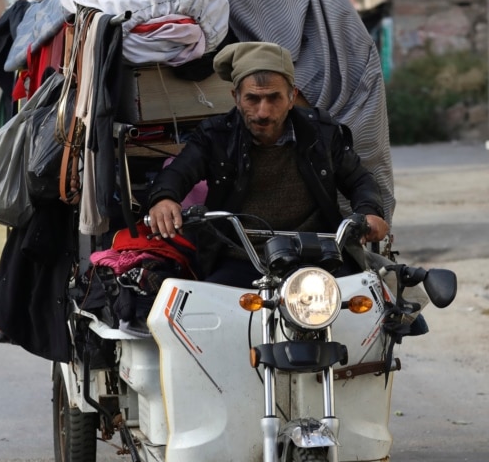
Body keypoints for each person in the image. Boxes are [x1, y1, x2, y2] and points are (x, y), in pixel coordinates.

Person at [146, 41, 389, 286]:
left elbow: (359, 179)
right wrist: (164, 198)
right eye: (253, 98)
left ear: (292, 97)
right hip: (241, 258)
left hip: (318, 255)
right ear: (236, 98)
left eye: (274, 98)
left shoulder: (322, 132)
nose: (263, 111)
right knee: (209, 314)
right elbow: (179, 171)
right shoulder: (215, 135)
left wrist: (370, 211)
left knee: (375, 309)